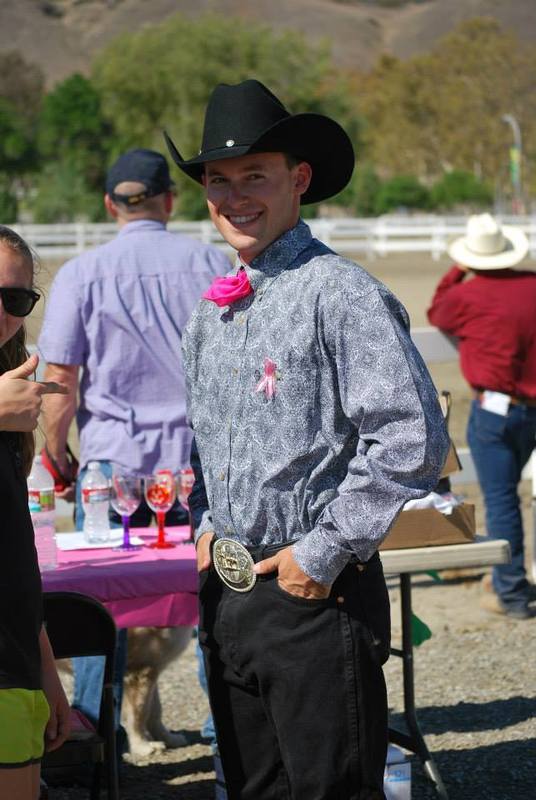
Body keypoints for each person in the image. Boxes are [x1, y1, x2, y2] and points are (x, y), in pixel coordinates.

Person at [165, 79, 450, 800]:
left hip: (311, 596)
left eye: (254, 176)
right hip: (228, 594)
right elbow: (207, 441)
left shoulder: (340, 293)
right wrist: (205, 525)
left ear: (298, 180)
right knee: (255, 788)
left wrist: (319, 556)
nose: (234, 197)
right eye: (218, 181)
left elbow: (412, 437)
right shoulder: (211, 312)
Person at [38, 148, 230, 746]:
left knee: (105, 600)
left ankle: (95, 728)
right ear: (169, 200)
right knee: (213, 599)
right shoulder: (211, 264)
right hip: (198, 463)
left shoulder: (80, 273)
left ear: (109, 205)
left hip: (113, 464)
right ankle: (232, 724)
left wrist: (55, 451)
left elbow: (60, 381)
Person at [427, 213, 536, 621]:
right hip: (530, 406)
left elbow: (437, 310)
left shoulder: (466, 296)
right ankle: (511, 581)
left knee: (503, 499)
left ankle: (509, 591)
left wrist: (458, 271)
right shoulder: (531, 285)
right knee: (512, 495)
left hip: (497, 411)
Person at [0, 226, 70, 800]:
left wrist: (46, 670)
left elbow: (16, 551)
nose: (2, 312)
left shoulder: (14, 403)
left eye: (15, 299)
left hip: (13, 665)